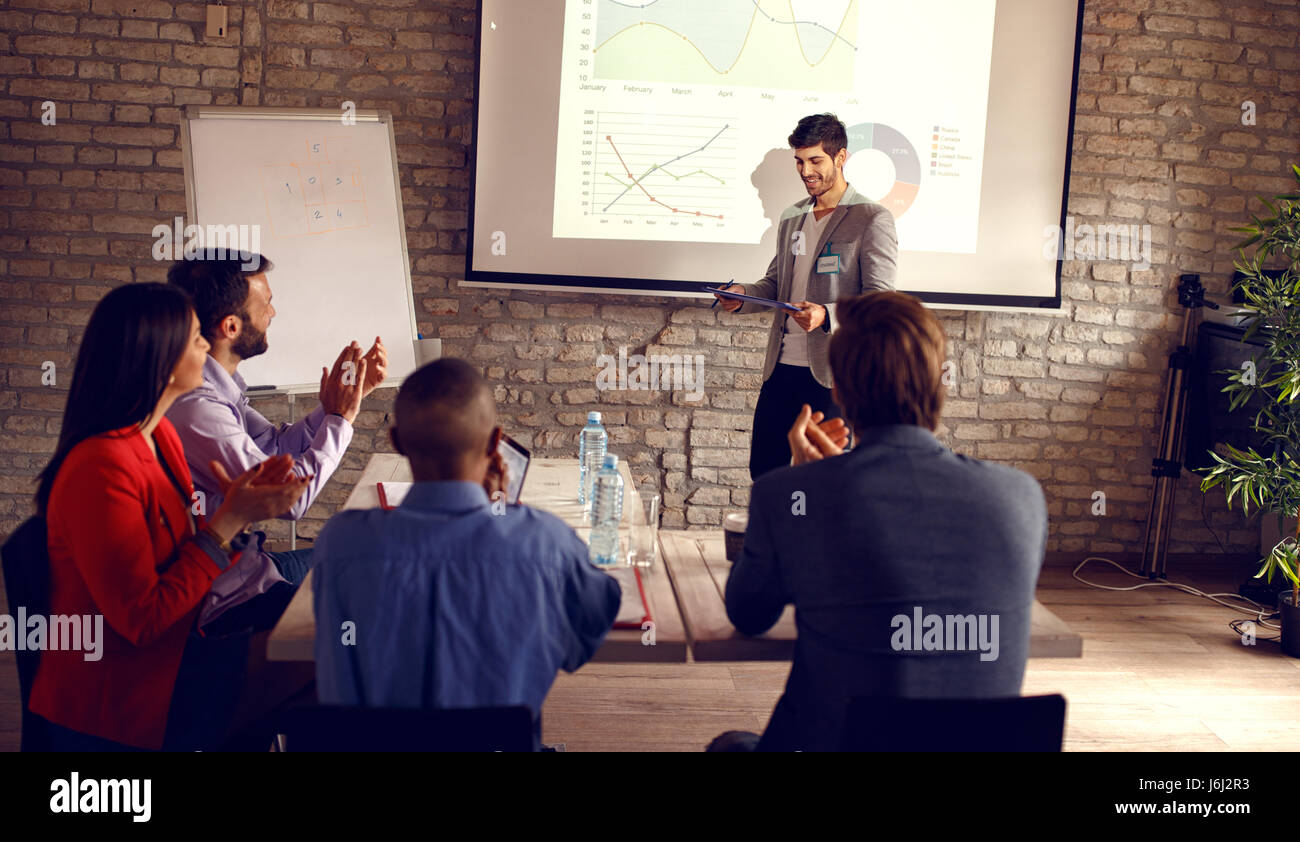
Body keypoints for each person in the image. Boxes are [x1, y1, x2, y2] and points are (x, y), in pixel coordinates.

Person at [711, 291, 1048, 752]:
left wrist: (802, 484)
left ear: (839, 392)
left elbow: (748, 614)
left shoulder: (790, 493)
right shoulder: (1021, 496)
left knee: (732, 744)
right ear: (940, 384)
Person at [28, 283, 310, 751]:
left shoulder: (159, 439)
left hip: (181, 647)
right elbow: (143, 619)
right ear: (156, 355)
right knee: (329, 656)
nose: (205, 345)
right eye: (194, 336)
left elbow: (180, 552)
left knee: (332, 644)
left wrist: (234, 508)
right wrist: (231, 518)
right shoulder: (99, 468)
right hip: (129, 693)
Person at [311, 358, 621, 748]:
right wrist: (503, 512)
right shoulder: (548, 544)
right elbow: (586, 633)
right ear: (495, 444)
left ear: (397, 442)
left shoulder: (340, 545)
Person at [165, 253, 387, 636]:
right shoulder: (196, 407)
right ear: (231, 326)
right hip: (228, 597)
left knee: (370, 559)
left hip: (252, 565)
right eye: (265, 303)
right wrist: (340, 420)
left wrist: (337, 404)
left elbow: (275, 446)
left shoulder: (220, 390)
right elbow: (289, 498)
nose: (273, 312)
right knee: (370, 618)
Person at [714, 113, 898, 480]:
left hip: (832, 377)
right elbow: (776, 284)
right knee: (767, 473)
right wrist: (741, 296)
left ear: (840, 158)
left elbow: (881, 302)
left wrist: (827, 316)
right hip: (780, 371)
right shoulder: (791, 217)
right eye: (799, 161)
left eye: (815, 160)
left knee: (821, 481)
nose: (805, 170)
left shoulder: (872, 218)